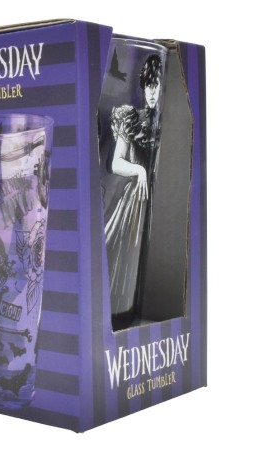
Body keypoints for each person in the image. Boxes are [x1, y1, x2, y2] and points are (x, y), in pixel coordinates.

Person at [104, 54, 163, 329]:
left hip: (155, 204)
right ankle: (116, 320)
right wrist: (139, 170)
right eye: (149, 85)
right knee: (123, 260)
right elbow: (116, 163)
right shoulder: (132, 118)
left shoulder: (163, 122)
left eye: (157, 85)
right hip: (133, 201)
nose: (152, 92)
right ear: (143, 86)